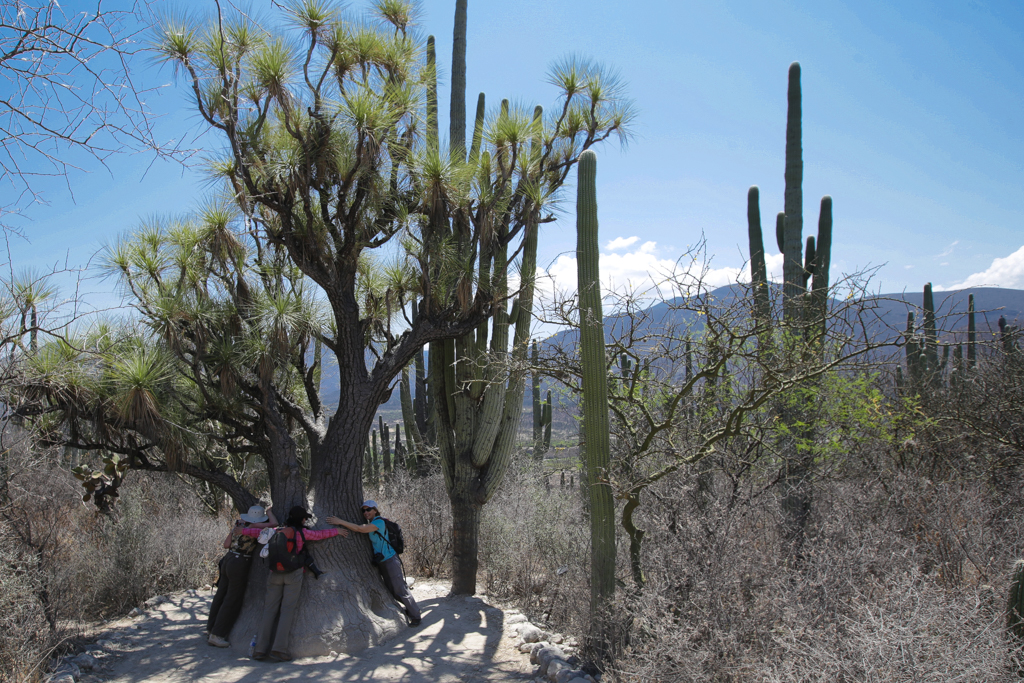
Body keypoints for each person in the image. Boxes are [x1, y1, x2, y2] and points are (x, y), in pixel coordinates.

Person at [236, 505, 346, 662]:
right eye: (304, 518)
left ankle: (259, 649)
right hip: (294, 574)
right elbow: (319, 534)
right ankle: (279, 650)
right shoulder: (302, 533)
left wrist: (243, 531)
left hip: (274, 573)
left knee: (269, 611)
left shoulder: (278, 531)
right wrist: (337, 531)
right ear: (301, 519)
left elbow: (258, 533)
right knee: (287, 611)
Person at [326, 501, 421, 626]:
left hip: (390, 559)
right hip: (382, 561)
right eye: (363, 511)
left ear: (375, 510)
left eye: (368, 509)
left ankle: (416, 616)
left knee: (400, 588)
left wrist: (340, 522)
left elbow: (359, 529)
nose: (366, 512)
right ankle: (410, 610)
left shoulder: (379, 523)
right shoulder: (373, 523)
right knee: (391, 589)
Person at [206, 504, 278, 648]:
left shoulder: (239, 524)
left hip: (228, 559)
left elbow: (226, 544)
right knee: (232, 598)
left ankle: (211, 627)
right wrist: (269, 512)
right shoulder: (254, 527)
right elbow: (275, 524)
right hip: (240, 562)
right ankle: (218, 634)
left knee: (221, 594)